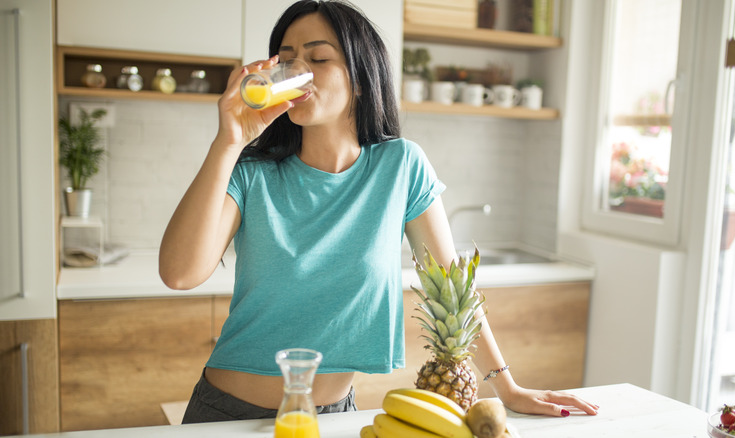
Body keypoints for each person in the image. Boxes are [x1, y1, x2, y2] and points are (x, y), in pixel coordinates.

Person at [159, 0, 599, 424]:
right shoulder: (252, 172)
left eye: (319, 59)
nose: (297, 72)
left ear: (362, 79)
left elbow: (450, 288)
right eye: (287, 59)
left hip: (334, 415)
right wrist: (229, 141)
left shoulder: (400, 166)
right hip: (227, 415)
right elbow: (179, 273)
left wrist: (509, 389)